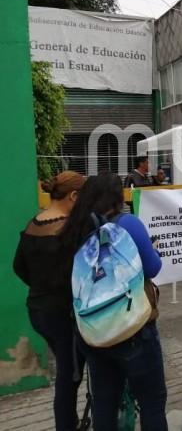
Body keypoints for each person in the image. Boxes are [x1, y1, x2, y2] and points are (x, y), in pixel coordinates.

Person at [59, 173, 166, 430]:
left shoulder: (73, 228)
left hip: (93, 332)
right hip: (132, 330)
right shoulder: (127, 223)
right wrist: (154, 251)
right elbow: (152, 268)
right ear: (118, 197)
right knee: (151, 401)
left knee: (104, 402)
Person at [13, 171, 86, 431]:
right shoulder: (69, 230)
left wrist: (40, 287)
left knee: (67, 368)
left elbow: (18, 266)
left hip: (37, 311)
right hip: (62, 315)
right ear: (73, 196)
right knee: (68, 377)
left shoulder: (33, 223)